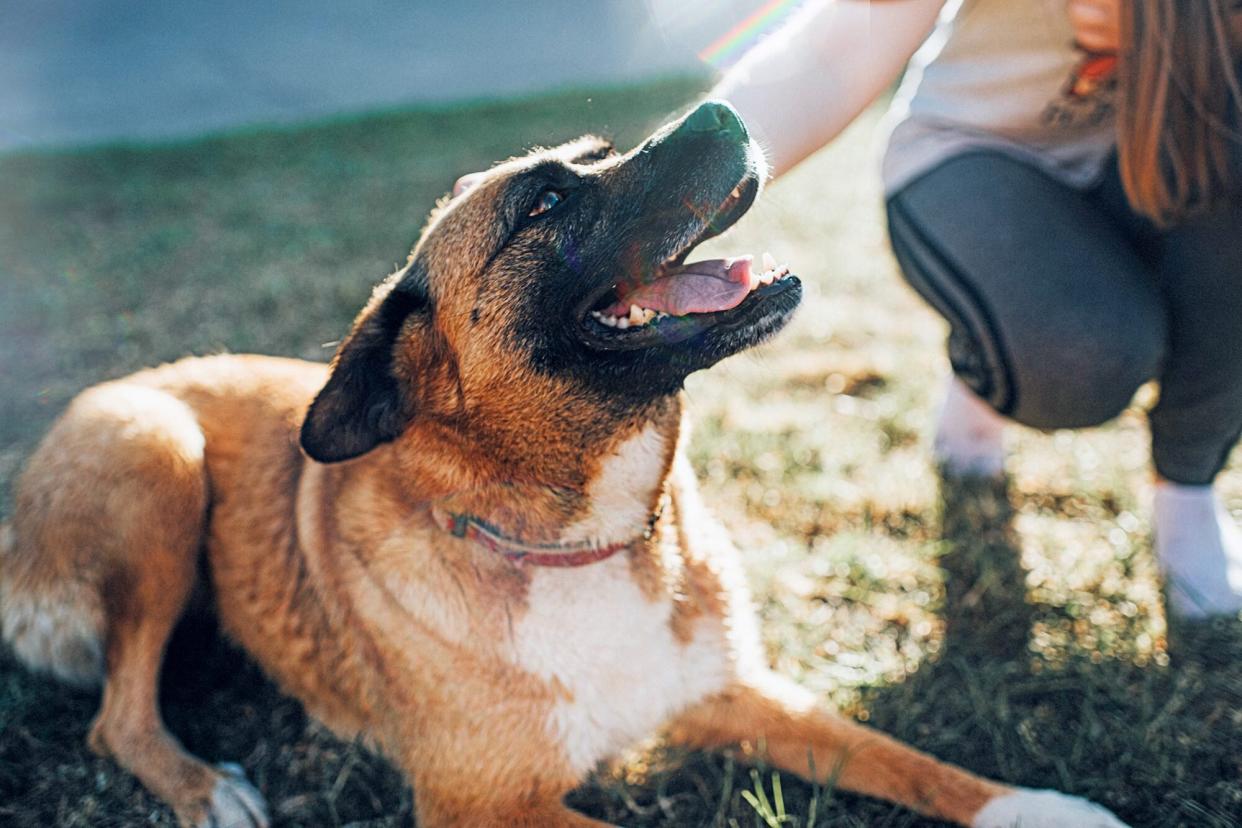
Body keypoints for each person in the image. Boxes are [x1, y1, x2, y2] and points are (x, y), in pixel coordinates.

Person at [710, 0, 1242, 617]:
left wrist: (1182, 26)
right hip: (975, 149)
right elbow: (837, 48)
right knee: (1079, 360)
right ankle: (984, 361)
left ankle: (1188, 490)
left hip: (1156, 164)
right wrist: (680, 191)